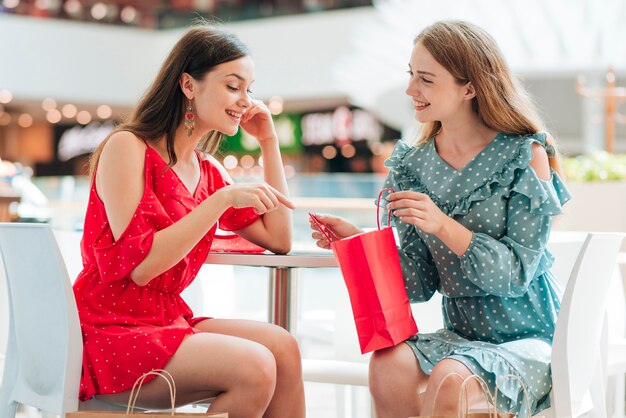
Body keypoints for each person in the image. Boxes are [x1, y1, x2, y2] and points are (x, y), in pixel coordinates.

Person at [311, 20, 570, 418]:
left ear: (470, 87)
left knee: (452, 379)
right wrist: (359, 244)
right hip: (459, 338)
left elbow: (517, 275)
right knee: (388, 365)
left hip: (530, 340)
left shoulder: (524, 153)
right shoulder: (411, 166)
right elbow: (420, 283)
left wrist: (444, 226)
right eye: (411, 75)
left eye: (426, 79)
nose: (411, 90)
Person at [72, 23, 305, 418]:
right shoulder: (127, 147)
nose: (245, 101)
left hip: (166, 320)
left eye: (249, 89)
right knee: (256, 366)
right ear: (188, 84)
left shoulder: (208, 170)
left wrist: (268, 141)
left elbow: (280, 237)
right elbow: (142, 268)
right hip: (108, 329)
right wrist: (219, 202)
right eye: (233, 86)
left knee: (282, 346)